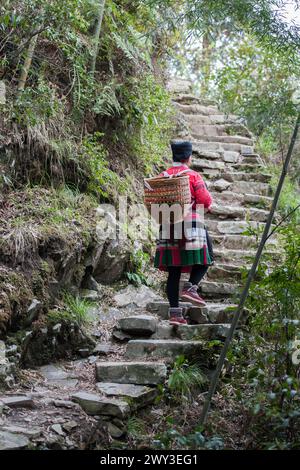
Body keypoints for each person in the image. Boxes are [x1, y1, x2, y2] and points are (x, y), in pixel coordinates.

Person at [154, 140, 214, 325]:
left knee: (174, 271)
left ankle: (175, 315)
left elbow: (154, 202)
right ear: (188, 157)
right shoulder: (193, 176)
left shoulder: (162, 176)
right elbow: (205, 200)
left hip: (168, 225)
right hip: (191, 224)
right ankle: (190, 287)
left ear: (173, 156)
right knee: (207, 257)